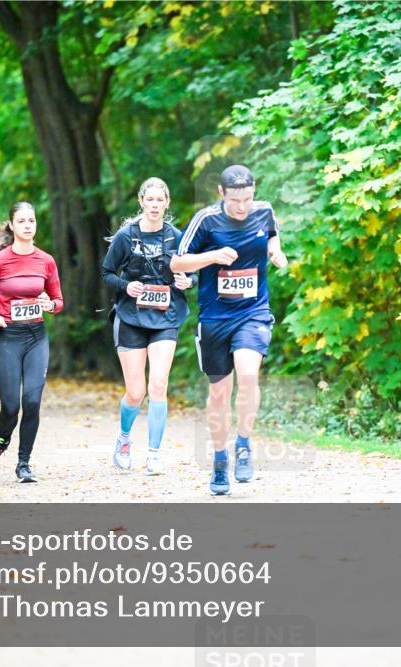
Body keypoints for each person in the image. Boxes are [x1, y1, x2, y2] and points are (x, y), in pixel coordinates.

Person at [170, 165, 287, 495]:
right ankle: (220, 460)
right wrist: (211, 257)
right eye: (235, 201)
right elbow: (177, 263)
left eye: (247, 199)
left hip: (253, 312)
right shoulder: (206, 220)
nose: (242, 207)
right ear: (221, 193)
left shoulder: (264, 211)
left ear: (254, 191)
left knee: (248, 377)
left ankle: (244, 445)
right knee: (220, 393)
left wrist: (276, 252)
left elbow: (272, 236)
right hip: (215, 318)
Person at [101, 177, 196, 475]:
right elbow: (106, 273)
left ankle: (154, 455)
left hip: (165, 318)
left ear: (167, 203)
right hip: (131, 317)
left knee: (158, 385)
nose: (154, 205)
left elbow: (194, 272)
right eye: (150, 200)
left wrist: (188, 280)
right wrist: (126, 286)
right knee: (136, 392)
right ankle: (124, 438)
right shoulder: (126, 236)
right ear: (141, 201)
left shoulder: (178, 238)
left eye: (160, 200)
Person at [0, 202, 63, 483]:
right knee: (11, 406)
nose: (27, 225)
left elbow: (58, 300)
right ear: (12, 225)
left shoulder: (46, 261)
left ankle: (24, 463)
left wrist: (50, 305)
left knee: (32, 401)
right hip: (7, 339)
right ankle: (2, 441)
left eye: (31, 221)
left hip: (36, 338)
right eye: (21, 221)